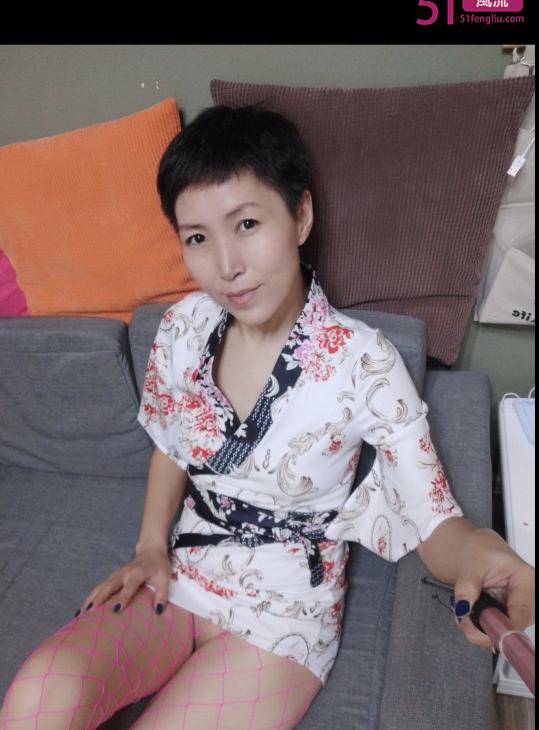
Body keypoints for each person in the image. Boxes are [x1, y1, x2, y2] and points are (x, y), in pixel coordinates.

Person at [0, 104, 534, 730]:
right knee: (39, 697)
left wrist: (476, 553)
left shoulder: (364, 363)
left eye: (247, 223)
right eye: (197, 238)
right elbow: (171, 445)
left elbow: (434, 519)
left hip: (284, 619)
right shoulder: (181, 328)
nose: (226, 265)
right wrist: (149, 549)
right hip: (184, 571)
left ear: (300, 215)